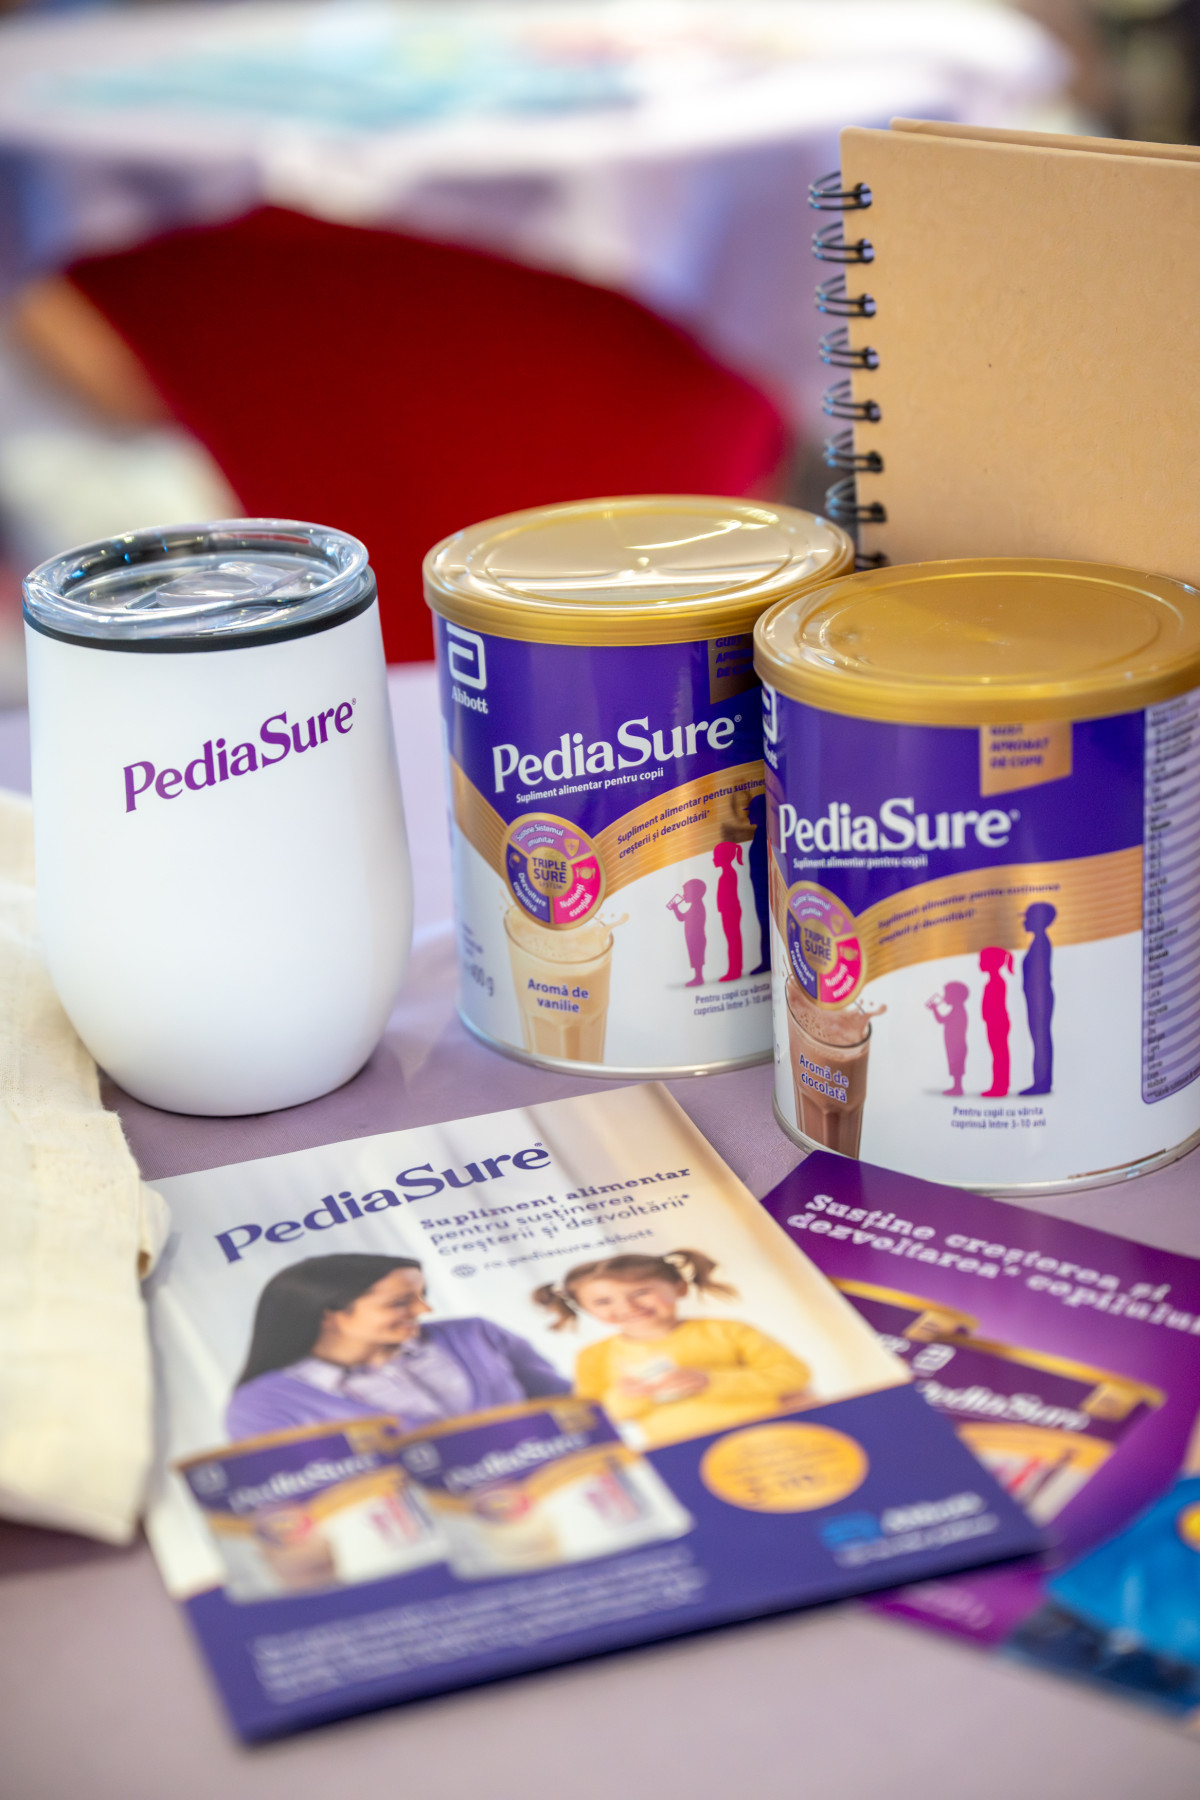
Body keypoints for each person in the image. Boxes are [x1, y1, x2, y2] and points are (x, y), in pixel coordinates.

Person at [227, 1253, 569, 1440]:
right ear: (330, 1316)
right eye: (400, 1302)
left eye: (423, 1296)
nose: (425, 1310)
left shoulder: (475, 1335)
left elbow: (567, 1405)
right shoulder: (261, 1406)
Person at [532, 1250, 811, 1448]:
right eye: (603, 1302)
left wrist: (711, 1381)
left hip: (768, 1433)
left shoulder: (729, 1331)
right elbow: (591, 1420)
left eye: (641, 1292)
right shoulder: (594, 1357)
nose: (627, 1307)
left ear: (679, 1288)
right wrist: (626, 1397)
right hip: (680, 1452)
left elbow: (794, 1375)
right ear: (584, 1308)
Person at [1020, 902, 1057, 1095]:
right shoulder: (1039, 941)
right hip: (1036, 997)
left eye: (1027, 917)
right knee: (1040, 1039)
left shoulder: (1041, 943)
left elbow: (1038, 975)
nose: (1024, 921)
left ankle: (1042, 1083)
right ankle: (1041, 1082)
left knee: (1041, 1039)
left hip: (1039, 998)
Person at [979, 946, 1014, 1098]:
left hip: (997, 1023)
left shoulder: (997, 982)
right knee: (998, 1055)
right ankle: (999, 1085)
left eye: (982, 960)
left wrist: (990, 1018)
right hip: (995, 1022)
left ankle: (1000, 1086)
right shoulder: (994, 982)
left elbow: (995, 1005)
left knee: (999, 1055)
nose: (979, 963)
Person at [926, 980, 969, 1097]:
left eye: (947, 994)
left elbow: (941, 1020)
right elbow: (942, 1020)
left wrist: (935, 1009)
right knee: (955, 1066)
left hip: (957, 1046)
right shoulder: (957, 1010)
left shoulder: (958, 1011)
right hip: (954, 1045)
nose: (945, 997)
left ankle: (958, 1088)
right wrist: (934, 1009)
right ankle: (957, 1087)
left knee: (957, 1066)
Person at [712, 840, 744, 982]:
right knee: (732, 940)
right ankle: (735, 969)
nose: (714, 859)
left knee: (733, 941)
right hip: (729, 911)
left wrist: (724, 909)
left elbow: (728, 895)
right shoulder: (727, 874)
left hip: (730, 911)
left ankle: (734, 970)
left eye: (716, 856)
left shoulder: (729, 874)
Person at [666, 880, 707, 986]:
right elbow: (682, 918)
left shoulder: (697, 907)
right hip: (694, 938)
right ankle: (698, 977)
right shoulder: (696, 906)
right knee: (695, 957)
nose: (684, 895)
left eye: (686, 892)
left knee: (697, 958)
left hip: (697, 938)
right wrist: (675, 909)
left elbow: (682, 918)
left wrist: (675, 909)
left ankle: (699, 978)